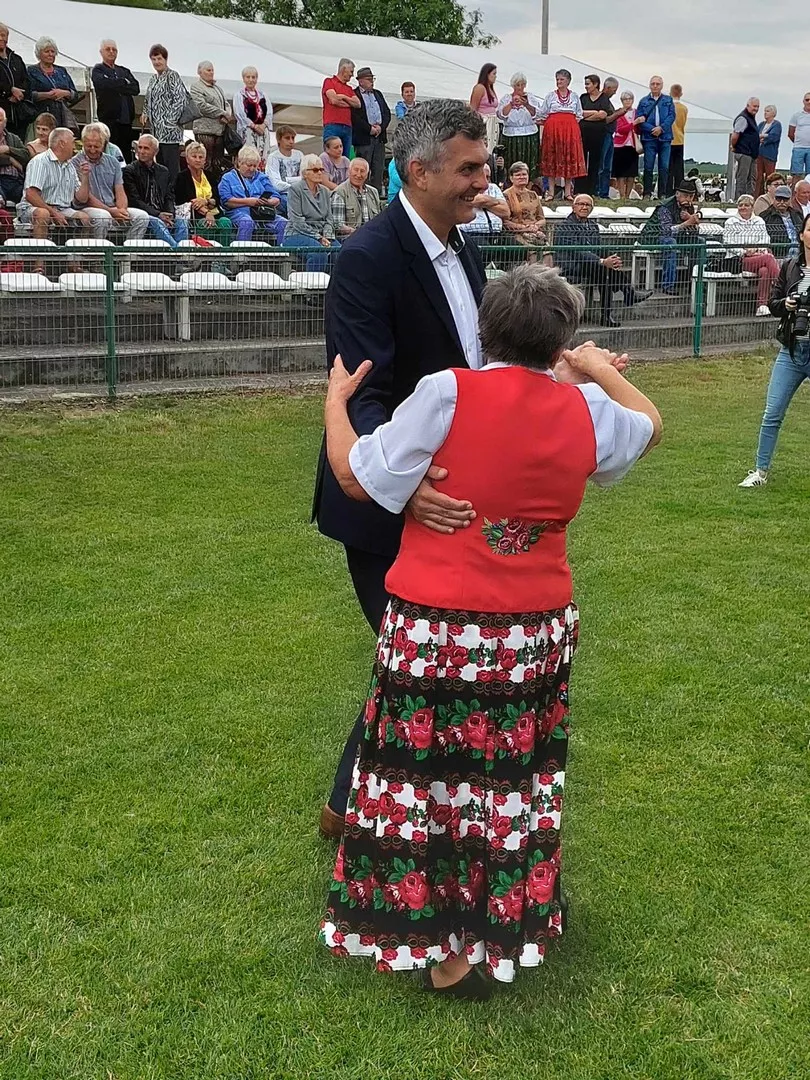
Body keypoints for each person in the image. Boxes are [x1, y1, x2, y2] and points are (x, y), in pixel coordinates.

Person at [320, 266, 661, 994]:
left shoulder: (447, 392)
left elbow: (355, 475)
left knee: (425, 775)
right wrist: (594, 369)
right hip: (531, 628)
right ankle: (489, 925)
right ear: (560, 339)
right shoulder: (586, 408)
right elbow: (650, 426)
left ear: (485, 328)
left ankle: (433, 930)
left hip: (435, 622)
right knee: (505, 779)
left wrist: (335, 403)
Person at [313, 100, 490, 842]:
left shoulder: (465, 249)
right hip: (383, 502)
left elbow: (475, 366)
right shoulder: (368, 257)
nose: (484, 182)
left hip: (448, 496)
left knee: (424, 659)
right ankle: (367, 811)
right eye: (468, 168)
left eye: (485, 165)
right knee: (421, 660)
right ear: (418, 171)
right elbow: (363, 393)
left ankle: (356, 805)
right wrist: (404, 486)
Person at [739, 212, 810, 488]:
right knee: (772, 413)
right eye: (809, 230)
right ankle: (760, 471)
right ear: (801, 235)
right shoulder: (790, 266)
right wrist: (787, 305)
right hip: (792, 350)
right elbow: (773, 302)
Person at [556, 193, 651, 325]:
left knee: (606, 273)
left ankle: (608, 314)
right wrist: (602, 261)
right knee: (604, 269)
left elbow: (599, 247)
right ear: (574, 207)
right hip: (571, 264)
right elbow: (576, 251)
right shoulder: (565, 226)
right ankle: (627, 294)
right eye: (581, 204)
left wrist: (612, 258)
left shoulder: (593, 226)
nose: (584, 207)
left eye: (588, 205)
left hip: (590, 265)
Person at [72, 122, 149, 239]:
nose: (92, 150)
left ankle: (129, 249)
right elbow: (86, 198)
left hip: (112, 206)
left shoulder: (113, 162)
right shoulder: (75, 163)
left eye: (96, 146)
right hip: (86, 208)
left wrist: (122, 210)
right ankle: (99, 249)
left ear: (104, 144)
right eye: (88, 146)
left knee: (142, 217)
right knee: (103, 217)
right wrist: (111, 211)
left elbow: (120, 190)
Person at [18, 127, 90, 251]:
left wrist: (85, 176)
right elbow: (31, 194)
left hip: (62, 209)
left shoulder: (70, 166)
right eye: (72, 142)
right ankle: (39, 261)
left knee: (84, 218)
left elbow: (82, 199)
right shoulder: (40, 162)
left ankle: (76, 260)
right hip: (32, 208)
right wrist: (53, 212)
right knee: (43, 214)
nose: (75, 146)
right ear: (62, 143)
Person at [122, 134, 188, 247]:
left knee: (182, 222)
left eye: (146, 148)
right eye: (140, 147)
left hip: (162, 212)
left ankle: (178, 253)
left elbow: (169, 196)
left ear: (155, 151)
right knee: (155, 221)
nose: (141, 151)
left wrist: (170, 214)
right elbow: (134, 200)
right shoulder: (130, 171)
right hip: (144, 213)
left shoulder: (164, 171)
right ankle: (177, 252)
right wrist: (158, 214)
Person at [638, 179, 703, 294]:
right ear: (677, 194)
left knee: (700, 242)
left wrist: (691, 220)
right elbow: (666, 231)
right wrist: (687, 223)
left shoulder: (689, 207)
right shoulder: (665, 207)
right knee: (670, 243)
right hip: (654, 236)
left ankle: (696, 283)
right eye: (685, 196)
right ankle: (668, 285)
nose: (688, 199)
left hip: (677, 236)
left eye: (691, 196)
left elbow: (694, 231)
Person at [722, 195, 780, 316]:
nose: (743, 207)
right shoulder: (730, 222)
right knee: (768, 258)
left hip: (758, 256)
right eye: (740, 205)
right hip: (738, 260)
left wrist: (756, 249)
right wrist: (743, 251)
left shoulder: (759, 221)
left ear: (752, 207)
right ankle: (782, 286)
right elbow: (727, 242)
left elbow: (765, 239)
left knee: (764, 271)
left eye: (746, 205)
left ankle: (762, 305)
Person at [218, 145, 286, 244]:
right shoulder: (227, 178)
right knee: (247, 222)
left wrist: (267, 202)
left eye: (255, 166)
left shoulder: (262, 177)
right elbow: (226, 201)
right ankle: (242, 252)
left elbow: (276, 198)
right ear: (239, 163)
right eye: (249, 165)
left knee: (283, 223)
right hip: (238, 212)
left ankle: (281, 251)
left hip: (261, 213)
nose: (252, 169)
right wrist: (249, 202)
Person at [284, 153, 340, 270]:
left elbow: (329, 219)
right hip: (297, 234)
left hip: (322, 234)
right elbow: (297, 221)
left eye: (321, 170)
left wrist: (327, 236)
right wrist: (318, 237)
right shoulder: (295, 190)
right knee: (318, 252)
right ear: (305, 173)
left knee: (339, 251)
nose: (319, 173)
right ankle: (313, 282)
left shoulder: (325, 191)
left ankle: (332, 281)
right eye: (315, 170)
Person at [142, 45, 186, 187]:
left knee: (171, 168)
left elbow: (180, 100)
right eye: (154, 59)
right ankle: (162, 193)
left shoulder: (172, 76)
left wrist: (169, 122)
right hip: (156, 133)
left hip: (170, 133)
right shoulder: (153, 79)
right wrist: (145, 112)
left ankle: (173, 194)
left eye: (159, 58)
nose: (157, 62)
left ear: (165, 59)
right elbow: (148, 99)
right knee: (159, 167)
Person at [538, 69, 585, 202]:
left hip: (570, 129)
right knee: (552, 156)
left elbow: (579, 114)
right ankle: (551, 192)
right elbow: (542, 113)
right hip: (553, 129)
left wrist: (568, 125)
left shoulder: (574, 96)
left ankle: (568, 192)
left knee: (569, 156)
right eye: (557, 79)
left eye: (562, 79)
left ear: (568, 81)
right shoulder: (550, 96)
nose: (559, 82)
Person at [91, 39, 140, 164]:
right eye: (108, 49)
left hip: (126, 121)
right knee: (110, 153)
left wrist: (115, 84)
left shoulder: (124, 71)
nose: (111, 52)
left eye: (114, 50)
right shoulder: (98, 70)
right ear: (101, 52)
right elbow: (104, 84)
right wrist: (123, 82)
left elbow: (135, 88)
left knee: (125, 155)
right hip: (109, 120)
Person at [174, 140, 233, 239]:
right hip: (195, 216)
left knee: (225, 222)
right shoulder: (182, 177)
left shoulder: (210, 176)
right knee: (205, 224)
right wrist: (207, 213)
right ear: (187, 159)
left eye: (201, 157)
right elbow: (188, 201)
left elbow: (217, 198)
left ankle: (224, 249)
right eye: (194, 156)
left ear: (205, 160)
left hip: (215, 213)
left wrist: (206, 201)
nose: (198, 160)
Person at [27, 37, 81, 132]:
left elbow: (75, 95)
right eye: (47, 51)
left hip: (62, 118)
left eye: (53, 51)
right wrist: (48, 95)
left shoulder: (61, 71)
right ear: (39, 54)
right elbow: (28, 95)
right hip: (41, 117)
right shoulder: (32, 71)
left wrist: (65, 93)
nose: (50, 54)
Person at [190, 61, 231, 181]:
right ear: (199, 72)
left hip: (219, 131)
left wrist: (228, 114)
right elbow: (201, 106)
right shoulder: (196, 87)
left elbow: (226, 104)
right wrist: (221, 113)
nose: (211, 72)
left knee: (218, 163)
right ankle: (203, 186)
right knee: (205, 162)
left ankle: (215, 187)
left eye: (212, 70)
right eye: (208, 70)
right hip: (204, 131)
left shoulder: (218, 88)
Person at [351, 67, 391, 193]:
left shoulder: (378, 94)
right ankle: (362, 194)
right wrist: (369, 129)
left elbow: (386, 113)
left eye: (372, 79)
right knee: (363, 169)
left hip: (379, 138)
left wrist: (381, 127)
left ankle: (376, 195)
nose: (372, 82)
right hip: (364, 139)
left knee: (378, 169)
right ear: (360, 81)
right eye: (369, 79)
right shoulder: (354, 95)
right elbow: (354, 117)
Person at [637, 76, 675, 198]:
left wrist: (661, 128)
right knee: (648, 166)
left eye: (657, 84)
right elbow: (640, 119)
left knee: (664, 167)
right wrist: (652, 129)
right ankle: (647, 193)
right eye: (653, 84)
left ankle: (662, 193)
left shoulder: (668, 100)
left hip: (665, 137)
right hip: (649, 138)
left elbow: (671, 116)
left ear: (661, 86)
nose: (655, 86)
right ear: (649, 85)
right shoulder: (643, 101)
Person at [497, 72, 540, 175]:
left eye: (522, 84)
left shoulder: (531, 98)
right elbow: (501, 115)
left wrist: (527, 104)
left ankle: (529, 181)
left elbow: (537, 114)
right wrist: (511, 104)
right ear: (513, 86)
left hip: (529, 134)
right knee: (511, 162)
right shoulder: (506, 98)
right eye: (517, 85)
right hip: (511, 135)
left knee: (528, 161)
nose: (520, 87)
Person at [576, 74, 612, 196]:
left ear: (595, 84)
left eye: (588, 84)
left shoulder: (604, 98)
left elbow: (603, 115)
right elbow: (579, 113)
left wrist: (587, 116)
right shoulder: (583, 98)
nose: (586, 86)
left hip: (598, 134)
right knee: (582, 160)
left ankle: (592, 190)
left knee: (595, 162)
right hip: (583, 133)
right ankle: (580, 189)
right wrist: (594, 113)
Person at [503, 160, 546, 257]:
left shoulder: (533, 194)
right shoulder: (506, 195)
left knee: (548, 253)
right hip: (516, 234)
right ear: (511, 178)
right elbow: (505, 221)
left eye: (524, 174)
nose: (522, 177)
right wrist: (525, 228)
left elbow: (542, 219)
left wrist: (535, 226)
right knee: (532, 253)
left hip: (535, 232)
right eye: (518, 175)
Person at [233, 67, 273, 167]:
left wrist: (263, 125)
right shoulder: (239, 95)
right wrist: (254, 126)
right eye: (248, 77)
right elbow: (240, 114)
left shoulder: (263, 95)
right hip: (248, 131)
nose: (251, 80)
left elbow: (269, 112)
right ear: (243, 79)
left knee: (263, 157)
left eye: (253, 77)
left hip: (262, 131)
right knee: (249, 156)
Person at [331, 156, 381, 237]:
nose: (358, 174)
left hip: (372, 237)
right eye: (356, 170)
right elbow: (338, 225)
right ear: (349, 171)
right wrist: (359, 233)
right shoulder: (340, 192)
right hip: (350, 238)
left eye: (362, 171)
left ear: (367, 174)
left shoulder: (374, 192)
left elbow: (380, 220)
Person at [459, 161, 509, 237]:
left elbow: (506, 212)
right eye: (481, 176)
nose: (485, 181)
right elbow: (476, 200)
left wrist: (484, 203)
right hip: (472, 233)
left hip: (496, 233)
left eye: (487, 177)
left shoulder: (493, 188)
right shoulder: (465, 188)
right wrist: (495, 201)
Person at [322, 58, 359, 160]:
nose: (352, 75)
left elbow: (357, 104)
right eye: (351, 71)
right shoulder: (329, 82)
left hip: (347, 127)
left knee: (345, 158)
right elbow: (333, 99)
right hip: (332, 124)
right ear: (343, 70)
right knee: (329, 157)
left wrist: (344, 97)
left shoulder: (349, 88)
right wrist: (349, 103)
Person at [0, 22, 31, 140]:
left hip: (19, 116)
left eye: (3, 35)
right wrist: (10, 91)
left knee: (17, 145)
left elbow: (27, 81)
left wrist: (20, 94)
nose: (1, 38)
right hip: (2, 112)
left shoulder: (16, 59)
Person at [596, 77, 624, 199]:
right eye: (614, 90)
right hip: (603, 134)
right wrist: (618, 114)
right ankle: (598, 190)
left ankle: (604, 192)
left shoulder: (608, 102)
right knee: (601, 165)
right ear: (607, 88)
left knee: (607, 166)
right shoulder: (602, 101)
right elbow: (605, 119)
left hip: (609, 135)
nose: (615, 92)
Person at [266, 125, 303, 214]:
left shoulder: (299, 154)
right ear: (279, 139)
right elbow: (276, 184)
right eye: (287, 138)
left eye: (293, 138)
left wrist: (287, 180)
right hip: (283, 194)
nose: (291, 141)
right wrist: (296, 186)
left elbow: (305, 178)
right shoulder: (273, 157)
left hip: (300, 192)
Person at [761, 185, 803, 258]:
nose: (782, 202)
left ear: (790, 200)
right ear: (774, 199)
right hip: (778, 255)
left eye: (785, 199)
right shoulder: (765, 216)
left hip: (799, 255)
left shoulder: (797, 214)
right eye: (779, 199)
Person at [731, 97, 760, 199]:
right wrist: (734, 146)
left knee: (751, 179)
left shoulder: (750, 118)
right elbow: (735, 135)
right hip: (744, 153)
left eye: (758, 107)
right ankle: (739, 200)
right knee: (742, 178)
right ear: (748, 106)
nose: (756, 109)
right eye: (754, 106)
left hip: (751, 154)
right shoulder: (743, 118)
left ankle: (749, 199)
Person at [612, 91, 640, 199]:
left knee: (631, 172)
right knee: (621, 173)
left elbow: (639, 128)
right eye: (625, 99)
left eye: (629, 99)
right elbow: (620, 129)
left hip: (632, 145)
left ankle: (628, 195)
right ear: (622, 101)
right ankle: (622, 195)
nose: (627, 101)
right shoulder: (619, 113)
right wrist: (634, 124)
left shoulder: (636, 113)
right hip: (620, 145)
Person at [0, 105, 29, 204]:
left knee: (31, 198)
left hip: (16, 181)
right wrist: (11, 160)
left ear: (5, 122)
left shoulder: (13, 138)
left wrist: (8, 149)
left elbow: (26, 155)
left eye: (0, 120)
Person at [470, 63, 500, 150]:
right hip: (484, 121)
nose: (495, 76)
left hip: (493, 122)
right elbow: (473, 109)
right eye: (494, 74)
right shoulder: (479, 88)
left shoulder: (491, 89)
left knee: (492, 147)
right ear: (487, 74)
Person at [756, 106, 781, 198]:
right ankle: (758, 196)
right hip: (759, 153)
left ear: (773, 113)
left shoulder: (777, 125)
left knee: (770, 176)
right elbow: (755, 135)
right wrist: (762, 137)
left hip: (770, 155)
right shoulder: (761, 124)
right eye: (765, 111)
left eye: (768, 111)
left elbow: (774, 137)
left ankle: (770, 195)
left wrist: (763, 137)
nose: (765, 113)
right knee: (758, 176)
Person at [667, 84, 688, 195]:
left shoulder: (667, 107)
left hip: (668, 139)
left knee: (668, 168)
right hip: (680, 139)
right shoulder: (684, 108)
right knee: (679, 167)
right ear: (681, 94)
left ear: (670, 93)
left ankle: (668, 191)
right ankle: (680, 189)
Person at [788, 94, 810, 186]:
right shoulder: (796, 116)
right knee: (796, 174)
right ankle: (795, 193)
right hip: (798, 148)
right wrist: (799, 142)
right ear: (803, 101)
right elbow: (790, 133)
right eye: (807, 100)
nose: (809, 102)